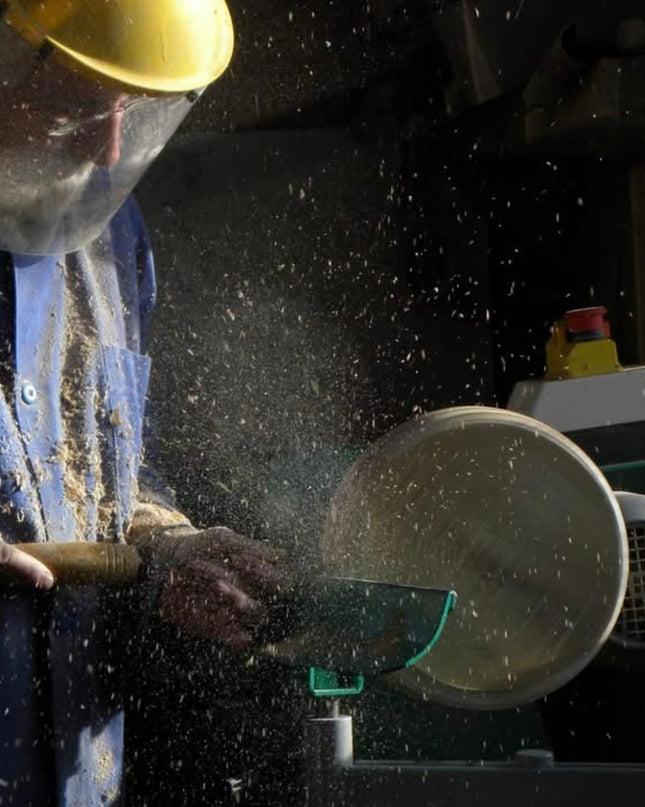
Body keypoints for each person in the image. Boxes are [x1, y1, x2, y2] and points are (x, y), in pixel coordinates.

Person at [0, 2, 290, 804]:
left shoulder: (108, 239)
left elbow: (111, 475)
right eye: (82, 99)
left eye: (138, 110)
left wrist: (169, 547)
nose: (111, 145)